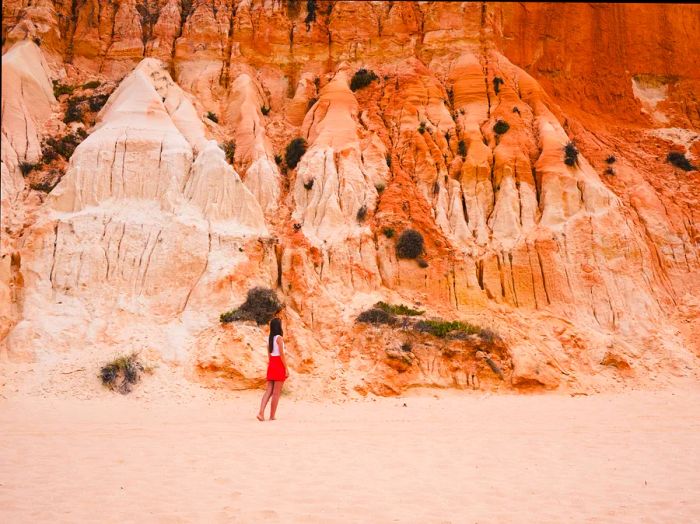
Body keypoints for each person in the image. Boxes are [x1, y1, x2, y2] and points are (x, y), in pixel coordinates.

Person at [257, 317, 289, 421]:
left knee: (268, 391)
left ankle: (261, 412)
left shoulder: (269, 339)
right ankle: (272, 416)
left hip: (271, 364)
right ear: (278, 327)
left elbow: (269, 356)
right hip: (279, 364)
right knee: (276, 393)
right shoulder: (279, 338)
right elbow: (281, 355)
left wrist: (272, 364)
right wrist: (286, 368)